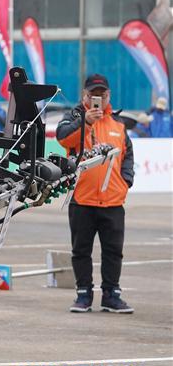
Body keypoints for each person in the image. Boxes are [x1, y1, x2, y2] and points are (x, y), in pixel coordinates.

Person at [57, 73, 134, 314]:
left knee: (113, 251)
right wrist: (86, 122)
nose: (98, 98)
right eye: (93, 95)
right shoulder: (74, 118)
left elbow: (127, 155)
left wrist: (126, 181)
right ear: (84, 96)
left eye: (102, 94)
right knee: (81, 250)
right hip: (83, 198)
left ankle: (111, 294)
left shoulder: (119, 124)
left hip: (113, 200)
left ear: (109, 96)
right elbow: (62, 138)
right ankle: (84, 294)